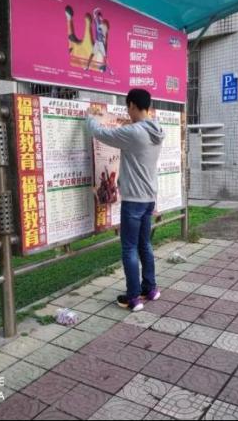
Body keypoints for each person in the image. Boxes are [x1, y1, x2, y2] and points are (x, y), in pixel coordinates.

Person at [86, 89, 164, 311]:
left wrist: (90, 116)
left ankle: (133, 298)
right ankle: (150, 289)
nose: (127, 112)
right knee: (144, 244)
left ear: (132, 105)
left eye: (127, 107)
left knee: (129, 248)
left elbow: (100, 133)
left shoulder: (134, 132)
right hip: (149, 198)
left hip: (133, 200)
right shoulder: (157, 129)